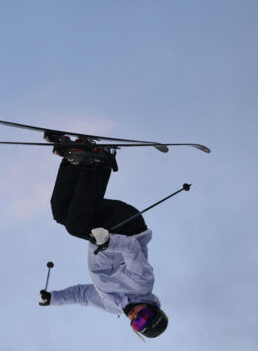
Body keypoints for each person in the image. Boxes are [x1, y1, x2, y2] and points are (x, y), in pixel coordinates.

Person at [37, 139, 168, 339]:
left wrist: (53, 298)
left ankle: (76, 157)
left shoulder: (112, 306)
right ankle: (100, 162)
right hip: (128, 226)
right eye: (145, 315)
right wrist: (108, 242)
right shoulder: (143, 284)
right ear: (153, 307)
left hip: (104, 236)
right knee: (76, 226)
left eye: (137, 323)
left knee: (61, 213)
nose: (136, 316)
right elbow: (132, 249)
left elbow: (82, 295)